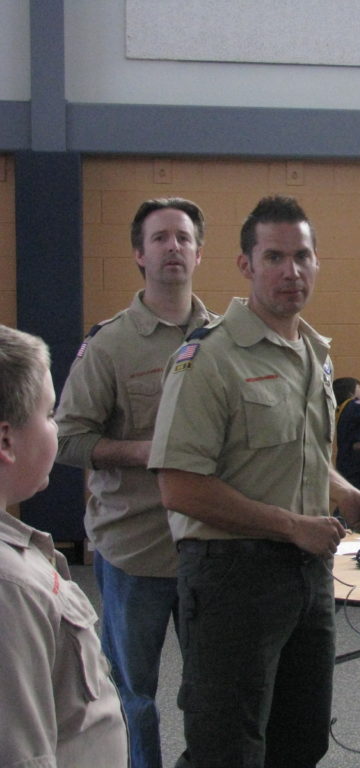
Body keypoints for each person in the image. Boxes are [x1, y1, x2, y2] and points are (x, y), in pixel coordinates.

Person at [148, 195, 360, 768]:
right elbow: (179, 487)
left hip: (306, 573)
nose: (291, 272)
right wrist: (292, 525)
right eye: (275, 257)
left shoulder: (312, 352)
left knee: (301, 741)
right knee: (226, 748)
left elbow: (302, 453)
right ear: (245, 265)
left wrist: (344, 494)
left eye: (302, 256)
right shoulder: (208, 357)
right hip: (231, 575)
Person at [54, 197, 215, 768]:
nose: (173, 247)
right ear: (138, 256)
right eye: (160, 238)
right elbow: (67, 439)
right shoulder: (109, 345)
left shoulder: (225, 340)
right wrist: (150, 453)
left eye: (183, 237)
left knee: (214, 693)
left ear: (199, 252)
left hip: (210, 548)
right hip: (135, 553)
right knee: (134, 697)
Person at [0, 325, 129, 767]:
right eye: (50, 414)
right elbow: (23, 755)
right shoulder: (10, 588)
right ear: (6, 441)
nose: (56, 429)